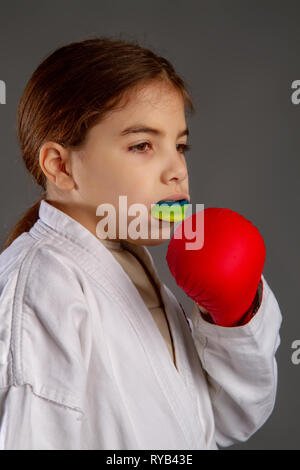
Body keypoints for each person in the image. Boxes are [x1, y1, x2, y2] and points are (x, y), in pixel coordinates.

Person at [0, 36, 282, 450]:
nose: (177, 171)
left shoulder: (131, 267)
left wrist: (233, 317)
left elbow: (213, 425)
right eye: (142, 146)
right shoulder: (44, 286)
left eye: (180, 145)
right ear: (61, 166)